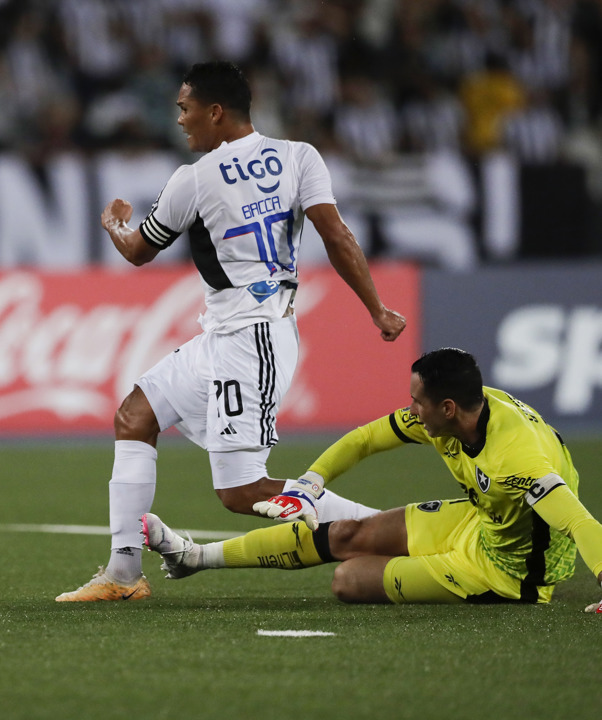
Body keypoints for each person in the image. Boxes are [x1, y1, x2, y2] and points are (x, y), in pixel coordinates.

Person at [56, 61, 406, 602]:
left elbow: (139, 252)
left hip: (254, 339)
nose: (179, 120)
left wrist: (112, 224)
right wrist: (377, 309)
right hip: (228, 335)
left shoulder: (192, 179)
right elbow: (336, 235)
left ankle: (399, 531)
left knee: (242, 491)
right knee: (135, 414)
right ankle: (123, 573)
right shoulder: (299, 156)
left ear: (214, 111)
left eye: (184, 107)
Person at [142, 348, 602, 611]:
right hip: (483, 521)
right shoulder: (460, 412)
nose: (410, 409)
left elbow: (580, 522)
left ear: (447, 408)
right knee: (347, 533)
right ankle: (193, 557)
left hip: (508, 573)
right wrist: (311, 481)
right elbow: (366, 438)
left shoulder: (517, 459)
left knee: (347, 579)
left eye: (417, 401)